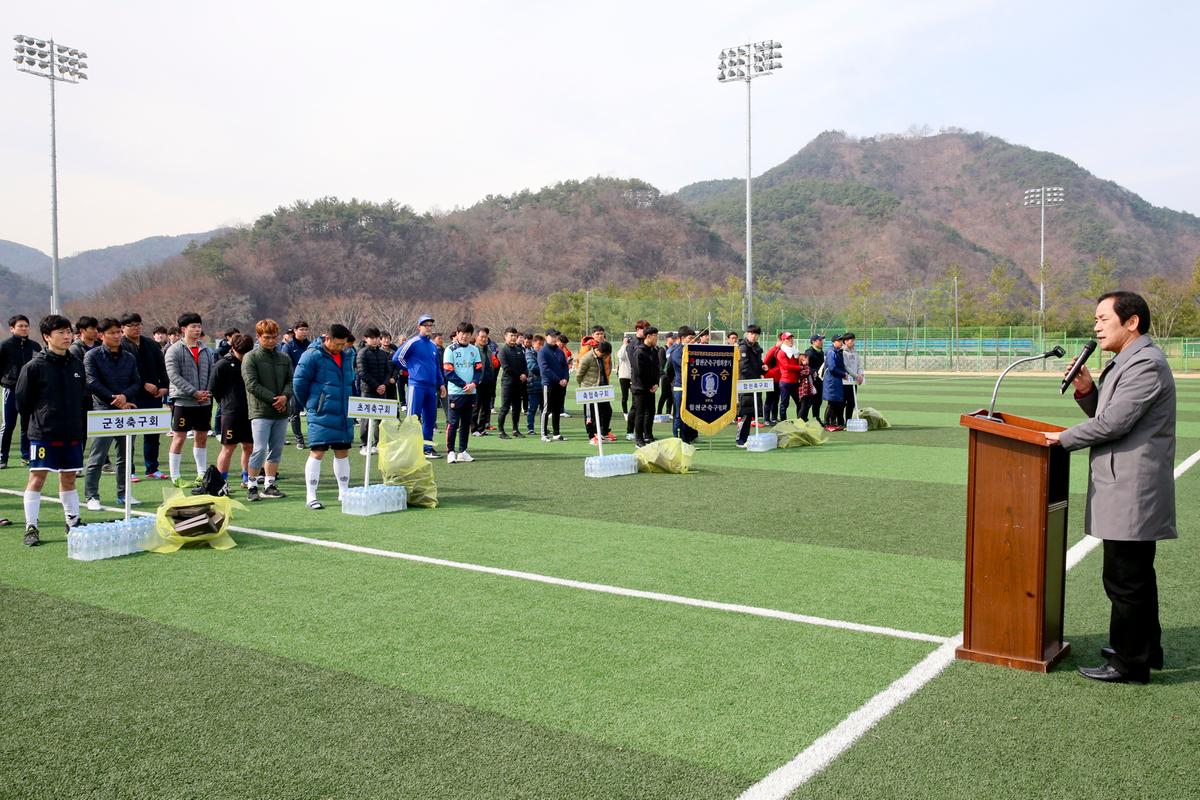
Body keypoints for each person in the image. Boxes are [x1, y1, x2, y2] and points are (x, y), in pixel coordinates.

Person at [1045, 291, 1177, 684]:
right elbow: (1109, 413)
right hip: (1124, 484)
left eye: (1104, 319)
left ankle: (1129, 662)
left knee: (1124, 579)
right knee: (1135, 575)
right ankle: (1145, 650)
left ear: (1131, 322)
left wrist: (1060, 438)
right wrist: (1086, 390)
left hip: (1132, 489)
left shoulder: (1146, 364)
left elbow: (1115, 424)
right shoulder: (1129, 361)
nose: (1096, 327)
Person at [13, 315, 88, 545]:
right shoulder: (34, 366)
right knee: (37, 478)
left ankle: (72, 522)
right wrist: (41, 420)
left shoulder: (76, 362)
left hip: (72, 433)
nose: (67, 337)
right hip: (44, 433)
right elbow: (22, 402)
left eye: (69, 332)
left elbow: (82, 396)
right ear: (47, 337)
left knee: (69, 478)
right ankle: (31, 527)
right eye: (61, 333)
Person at [294, 323, 357, 509]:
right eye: (338, 344)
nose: (341, 347)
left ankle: (343, 492)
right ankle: (311, 496)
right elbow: (299, 383)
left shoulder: (346, 356)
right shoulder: (312, 355)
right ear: (327, 339)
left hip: (343, 412)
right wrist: (313, 405)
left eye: (343, 344)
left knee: (343, 451)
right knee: (318, 451)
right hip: (321, 413)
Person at [82, 318, 141, 510]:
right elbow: (91, 381)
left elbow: (136, 381)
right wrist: (113, 398)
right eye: (112, 333)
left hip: (126, 411)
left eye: (118, 332)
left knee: (125, 455)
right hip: (103, 411)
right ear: (101, 335)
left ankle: (124, 493)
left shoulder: (129, 357)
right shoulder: (92, 356)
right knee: (98, 455)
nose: (117, 336)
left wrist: (125, 396)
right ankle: (92, 496)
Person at [242, 319, 294, 500]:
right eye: (266, 337)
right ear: (258, 337)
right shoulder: (251, 357)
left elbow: (290, 381)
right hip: (260, 411)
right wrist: (275, 399)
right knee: (259, 449)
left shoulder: (284, 358)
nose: (271, 341)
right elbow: (251, 384)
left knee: (276, 449)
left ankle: (270, 484)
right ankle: (252, 485)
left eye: (273, 337)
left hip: (281, 411)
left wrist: (285, 397)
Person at [164, 312, 214, 484]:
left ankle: (201, 472)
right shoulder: (174, 350)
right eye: (193, 326)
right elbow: (173, 375)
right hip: (184, 401)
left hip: (204, 402)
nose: (197, 330)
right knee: (179, 437)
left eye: (199, 326)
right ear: (183, 329)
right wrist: (194, 393)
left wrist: (206, 392)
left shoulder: (206, 349)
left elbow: (211, 372)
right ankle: (175, 476)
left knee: (201, 436)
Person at [121, 312, 170, 481]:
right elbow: (125, 372)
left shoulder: (151, 344)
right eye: (131, 325)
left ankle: (152, 467)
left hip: (154, 395)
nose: (136, 328)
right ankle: (129, 470)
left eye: (138, 324)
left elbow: (161, 367)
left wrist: (164, 386)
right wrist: (143, 384)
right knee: (130, 435)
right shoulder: (121, 346)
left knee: (152, 433)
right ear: (123, 328)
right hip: (132, 396)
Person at [393, 314, 446, 458]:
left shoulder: (433, 346)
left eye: (430, 325)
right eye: (425, 325)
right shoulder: (413, 342)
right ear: (419, 327)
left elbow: (436, 367)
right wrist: (410, 369)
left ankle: (427, 447)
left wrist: (441, 384)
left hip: (431, 387)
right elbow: (397, 358)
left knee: (430, 418)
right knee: (412, 417)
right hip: (416, 386)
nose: (428, 328)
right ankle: (409, 448)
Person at [209, 333, 255, 496]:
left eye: (247, 352)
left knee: (249, 446)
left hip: (251, 411)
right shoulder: (222, 364)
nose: (244, 356)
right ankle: (222, 482)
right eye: (241, 352)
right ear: (233, 348)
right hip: (231, 412)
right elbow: (214, 388)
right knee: (228, 447)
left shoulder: (252, 362)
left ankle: (247, 478)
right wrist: (227, 402)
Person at [1, 314, 42, 468]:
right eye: (20, 326)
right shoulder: (5, 346)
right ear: (12, 329)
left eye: (26, 326)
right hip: (11, 390)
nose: (24, 328)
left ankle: (26, 455)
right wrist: (5, 381)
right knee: (9, 424)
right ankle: (2, 457)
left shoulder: (35, 346)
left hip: (30, 392)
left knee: (28, 425)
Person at [443, 322, 483, 463]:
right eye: (462, 333)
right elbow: (448, 372)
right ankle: (450, 452)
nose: (464, 336)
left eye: (467, 333)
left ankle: (463, 451)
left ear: (471, 335)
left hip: (471, 393)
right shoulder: (450, 350)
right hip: (455, 393)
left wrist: (473, 384)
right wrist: (464, 385)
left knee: (466, 423)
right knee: (453, 423)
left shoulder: (474, 350)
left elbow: (479, 370)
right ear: (457, 333)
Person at [355, 326, 393, 453]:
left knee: (380, 419)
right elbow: (362, 372)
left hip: (382, 389)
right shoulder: (362, 353)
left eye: (377, 338)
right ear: (366, 339)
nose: (375, 340)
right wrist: (376, 386)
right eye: (372, 338)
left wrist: (384, 385)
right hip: (368, 390)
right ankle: (365, 444)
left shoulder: (383, 354)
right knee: (366, 418)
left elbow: (388, 371)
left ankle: (378, 443)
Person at [577, 339, 615, 444]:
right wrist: (584, 386)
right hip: (590, 390)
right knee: (591, 415)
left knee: (607, 411)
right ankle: (591, 436)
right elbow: (579, 374)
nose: (605, 357)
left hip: (602, 389)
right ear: (598, 350)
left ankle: (602, 433)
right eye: (604, 354)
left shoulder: (601, 357)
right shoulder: (587, 358)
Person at [281, 320, 311, 448]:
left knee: (313, 411)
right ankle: (299, 439)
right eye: (301, 329)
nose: (304, 332)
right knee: (295, 412)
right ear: (295, 330)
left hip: (310, 383)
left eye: (306, 329)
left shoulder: (311, 345)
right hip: (295, 384)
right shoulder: (288, 346)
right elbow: (285, 366)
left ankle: (314, 437)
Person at [734, 325, 764, 447]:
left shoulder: (757, 348)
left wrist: (763, 368)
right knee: (745, 412)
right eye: (751, 334)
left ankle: (745, 437)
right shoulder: (743, 347)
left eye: (756, 334)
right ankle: (740, 440)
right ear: (747, 334)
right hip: (746, 382)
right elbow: (743, 366)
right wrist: (754, 376)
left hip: (755, 383)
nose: (754, 336)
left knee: (751, 412)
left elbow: (758, 363)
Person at [631, 326, 661, 447]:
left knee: (651, 412)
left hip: (651, 388)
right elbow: (639, 372)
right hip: (640, 388)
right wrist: (649, 385)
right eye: (655, 336)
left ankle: (648, 435)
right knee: (640, 414)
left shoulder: (654, 351)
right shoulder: (639, 351)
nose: (657, 339)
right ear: (648, 336)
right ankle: (639, 439)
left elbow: (657, 369)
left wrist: (656, 383)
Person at [537, 329, 570, 441]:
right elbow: (545, 369)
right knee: (546, 409)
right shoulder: (543, 352)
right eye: (552, 336)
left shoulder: (560, 351)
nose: (554, 338)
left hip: (560, 385)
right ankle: (543, 434)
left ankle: (556, 433)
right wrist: (558, 380)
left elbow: (565, 366)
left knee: (557, 409)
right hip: (549, 384)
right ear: (546, 337)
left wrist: (565, 378)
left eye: (556, 336)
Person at [667, 325, 697, 443]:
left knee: (689, 414)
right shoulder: (677, 351)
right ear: (682, 338)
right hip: (680, 387)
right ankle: (678, 440)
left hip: (691, 387)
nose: (693, 340)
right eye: (690, 338)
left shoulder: (691, 349)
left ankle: (688, 438)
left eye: (694, 338)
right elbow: (681, 368)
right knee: (679, 415)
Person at [496, 326, 528, 438]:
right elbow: (506, 368)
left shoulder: (519, 350)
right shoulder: (502, 350)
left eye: (515, 335)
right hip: (508, 383)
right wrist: (520, 375)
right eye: (511, 335)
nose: (513, 338)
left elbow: (525, 365)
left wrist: (525, 374)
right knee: (504, 408)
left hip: (519, 384)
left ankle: (515, 430)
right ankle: (501, 431)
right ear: (505, 337)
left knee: (517, 408)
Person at [775, 332, 809, 421]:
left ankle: (799, 421)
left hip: (794, 382)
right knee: (784, 404)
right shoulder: (781, 352)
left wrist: (803, 361)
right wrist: (801, 367)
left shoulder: (795, 351)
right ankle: (783, 422)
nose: (790, 340)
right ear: (783, 340)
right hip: (785, 382)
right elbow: (786, 366)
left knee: (799, 403)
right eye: (788, 338)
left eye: (791, 338)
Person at [471, 327, 499, 435]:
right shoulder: (473, 350)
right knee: (476, 406)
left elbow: (491, 365)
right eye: (481, 337)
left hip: (488, 382)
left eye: (485, 337)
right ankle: (473, 429)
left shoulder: (488, 350)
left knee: (486, 407)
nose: (484, 339)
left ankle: (481, 428)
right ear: (477, 337)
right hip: (477, 382)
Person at [623, 321, 648, 439]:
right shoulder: (632, 344)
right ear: (638, 329)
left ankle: (644, 432)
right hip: (637, 380)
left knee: (645, 408)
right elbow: (635, 363)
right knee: (635, 406)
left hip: (647, 380)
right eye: (644, 328)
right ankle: (630, 431)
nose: (646, 331)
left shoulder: (647, 344)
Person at [821, 335, 848, 431]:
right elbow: (832, 368)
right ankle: (827, 423)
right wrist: (843, 374)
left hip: (836, 380)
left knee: (836, 402)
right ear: (833, 342)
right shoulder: (831, 352)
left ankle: (832, 422)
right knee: (831, 403)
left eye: (841, 340)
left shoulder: (838, 351)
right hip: (831, 380)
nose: (841, 342)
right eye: (839, 341)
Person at [761, 333, 784, 426]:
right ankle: (766, 419)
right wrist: (770, 372)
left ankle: (774, 418)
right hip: (771, 378)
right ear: (780, 341)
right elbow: (765, 362)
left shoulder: (783, 351)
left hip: (779, 378)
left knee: (776, 399)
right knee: (769, 399)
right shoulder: (773, 350)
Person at [803, 334, 825, 423]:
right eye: (819, 340)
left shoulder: (821, 351)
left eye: (822, 340)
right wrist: (813, 371)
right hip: (811, 380)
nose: (821, 342)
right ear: (813, 342)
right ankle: (803, 419)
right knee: (809, 401)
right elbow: (805, 365)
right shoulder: (809, 352)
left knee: (818, 400)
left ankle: (816, 418)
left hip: (820, 379)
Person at [841, 332, 864, 420]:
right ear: (845, 341)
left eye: (853, 340)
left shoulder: (855, 352)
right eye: (851, 340)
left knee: (852, 402)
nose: (853, 342)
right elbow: (846, 367)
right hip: (845, 381)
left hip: (854, 381)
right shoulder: (842, 352)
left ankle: (848, 421)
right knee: (842, 402)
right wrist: (856, 375)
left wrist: (861, 375)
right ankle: (839, 421)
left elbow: (859, 364)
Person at [525, 333, 544, 435]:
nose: (540, 346)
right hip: (533, 384)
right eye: (538, 344)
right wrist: (545, 369)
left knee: (544, 408)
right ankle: (530, 427)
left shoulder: (544, 353)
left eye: (542, 344)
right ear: (533, 344)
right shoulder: (529, 353)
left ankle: (543, 427)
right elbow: (532, 367)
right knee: (532, 408)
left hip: (543, 385)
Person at [656, 333, 675, 415]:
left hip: (672, 375)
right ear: (667, 339)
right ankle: (659, 412)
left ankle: (668, 413)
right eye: (672, 338)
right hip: (664, 376)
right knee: (664, 394)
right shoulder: (662, 349)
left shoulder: (674, 349)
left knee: (671, 395)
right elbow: (662, 363)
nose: (673, 340)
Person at [617, 335, 633, 422]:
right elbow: (621, 356)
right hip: (624, 376)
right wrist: (624, 344)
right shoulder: (622, 350)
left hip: (632, 376)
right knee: (625, 396)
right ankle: (625, 413)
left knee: (635, 395)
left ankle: (633, 412)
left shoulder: (633, 349)